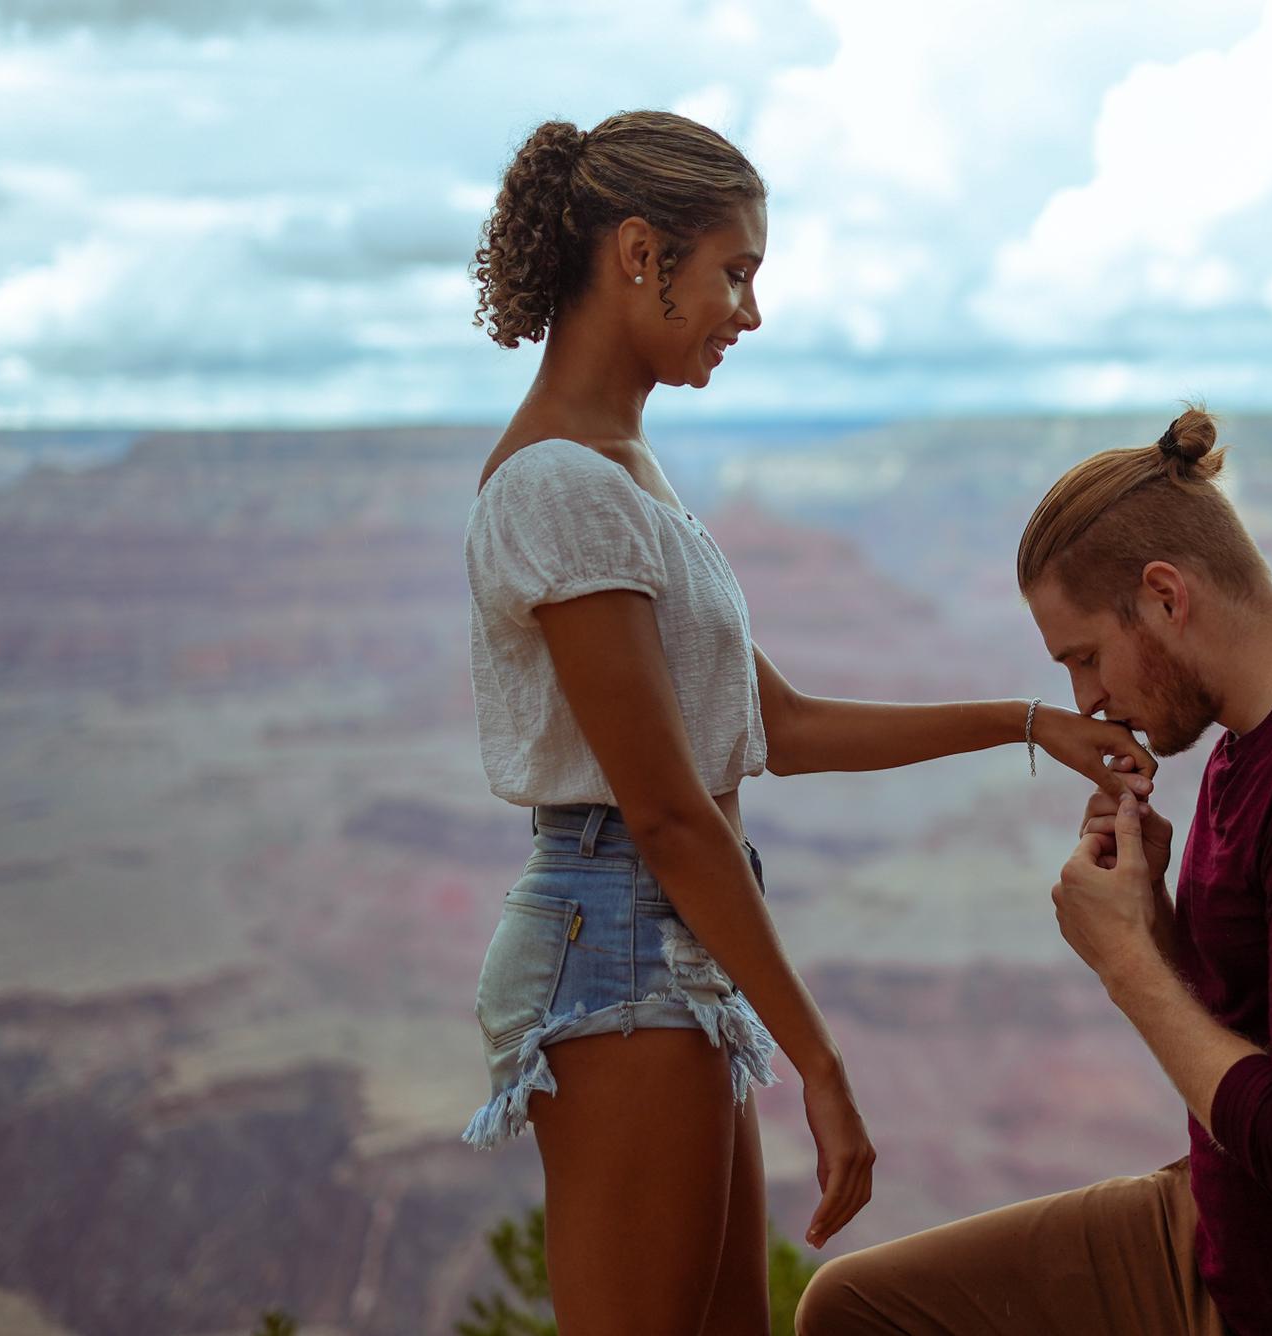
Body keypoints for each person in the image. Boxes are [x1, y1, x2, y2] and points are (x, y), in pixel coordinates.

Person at [457, 109, 1156, 1336]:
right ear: (639, 255)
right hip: (619, 941)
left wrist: (1030, 723)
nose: (749, 312)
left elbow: (772, 720)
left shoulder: (622, 472)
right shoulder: (559, 485)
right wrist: (820, 1069)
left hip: (663, 943)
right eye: (735, 272)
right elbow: (670, 812)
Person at [796, 407, 1272, 1335]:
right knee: (854, 1309)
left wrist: (1127, 966)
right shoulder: (1250, 738)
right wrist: (1153, 919)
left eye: (1085, 657)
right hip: (1238, 1239)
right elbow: (1262, 1032)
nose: (1088, 699)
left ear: (1164, 595)